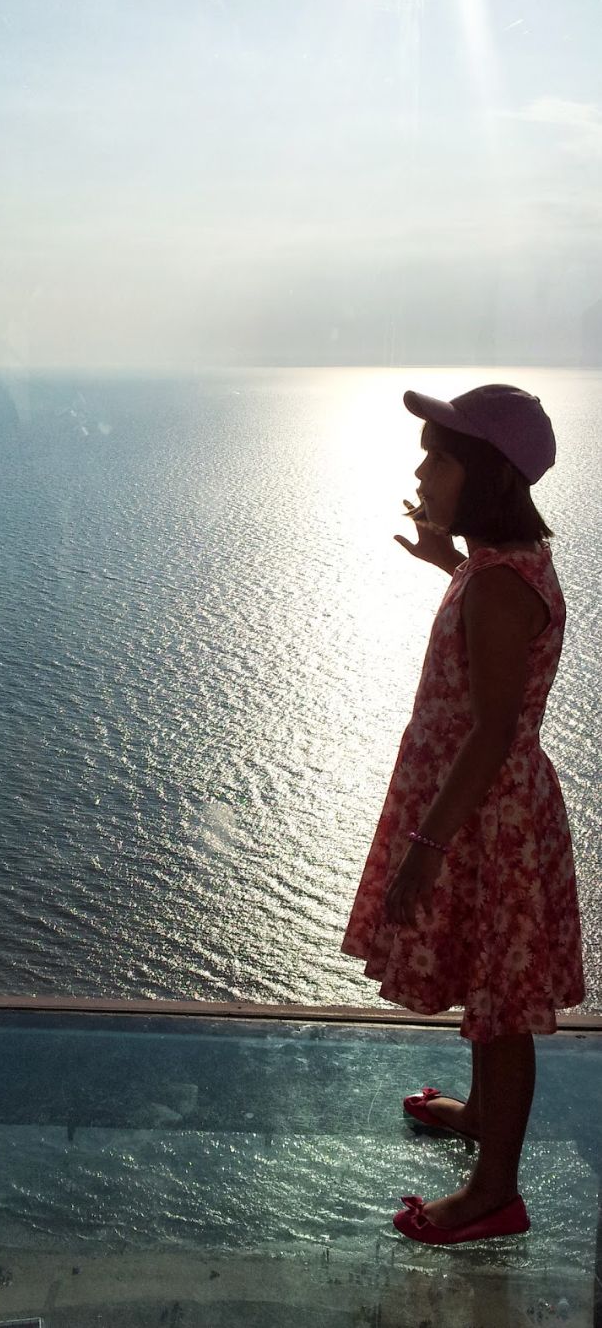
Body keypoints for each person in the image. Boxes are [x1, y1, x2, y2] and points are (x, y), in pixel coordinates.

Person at [341, 384, 584, 1245]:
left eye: (438, 459)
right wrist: (447, 562)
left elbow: (491, 731)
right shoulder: (498, 568)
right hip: (493, 811)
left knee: (503, 1009)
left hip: (486, 820)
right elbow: (499, 633)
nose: (421, 473)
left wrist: (425, 847)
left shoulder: (498, 586)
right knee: (489, 982)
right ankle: (484, 1114)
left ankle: (495, 1194)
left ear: (486, 476)